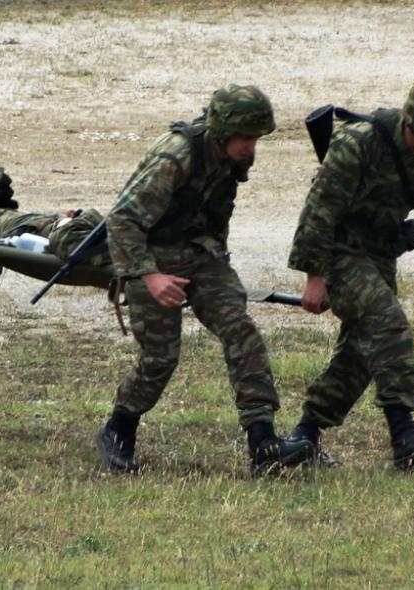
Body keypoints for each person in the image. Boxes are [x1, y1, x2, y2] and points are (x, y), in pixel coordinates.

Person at [96, 84, 315, 474]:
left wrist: (218, 263)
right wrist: (149, 276)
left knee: (241, 332)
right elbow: (123, 221)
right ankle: (119, 428)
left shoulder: (232, 156)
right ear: (223, 131)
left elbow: (216, 211)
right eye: (246, 138)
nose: (251, 147)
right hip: (152, 256)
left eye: (257, 138)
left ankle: (263, 444)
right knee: (161, 358)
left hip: (201, 256)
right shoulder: (175, 155)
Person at [286, 75, 414, 470]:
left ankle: (304, 434)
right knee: (386, 322)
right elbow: (319, 211)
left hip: (379, 253)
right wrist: (315, 276)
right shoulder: (357, 143)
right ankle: (404, 432)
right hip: (339, 252)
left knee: (362, 351)